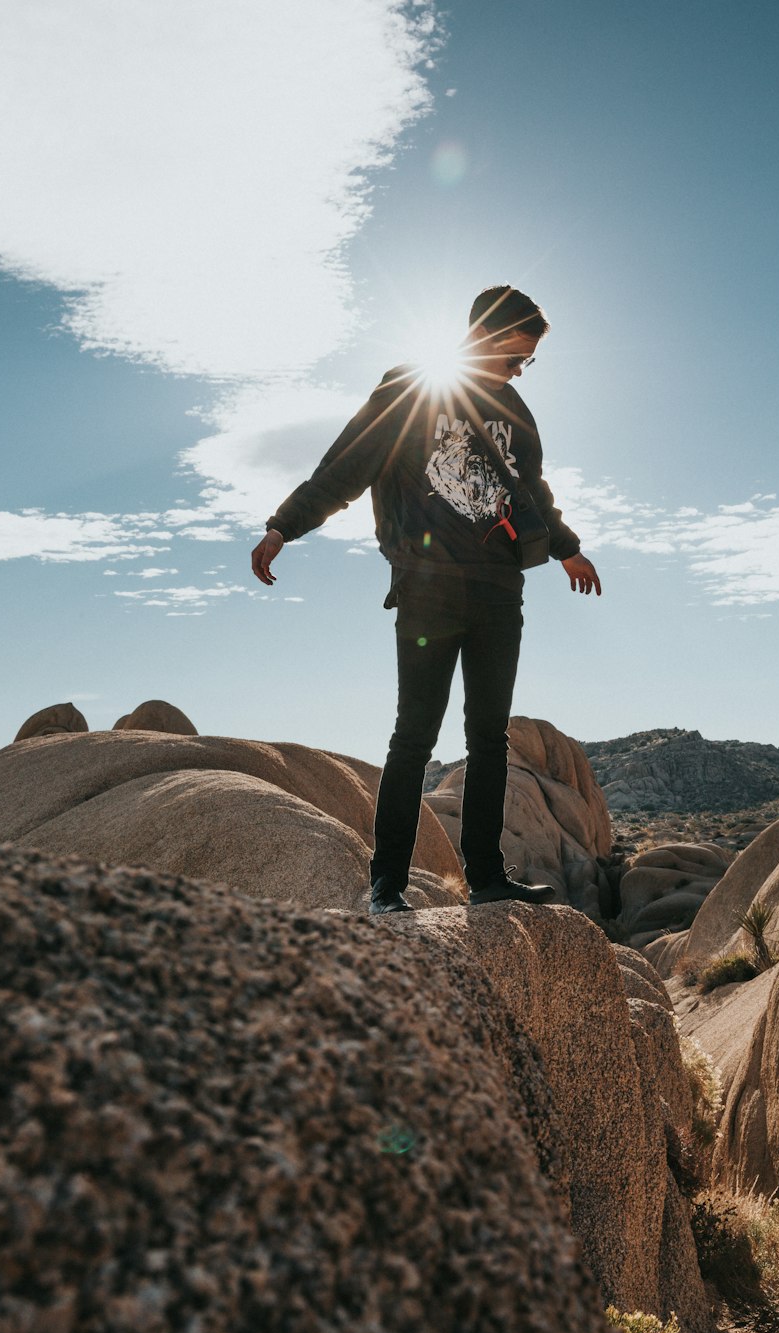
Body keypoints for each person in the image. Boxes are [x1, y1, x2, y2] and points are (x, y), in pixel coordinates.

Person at [251, 285, 601, 914]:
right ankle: (387, 884)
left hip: (498, 589)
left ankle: (487, 878)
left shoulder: (515, 411)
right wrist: (284, 526)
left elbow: (533, 491)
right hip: (427, 586)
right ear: (488, 336)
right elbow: (347, 466)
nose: (520, 370)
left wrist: (567, 548)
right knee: (413, 737)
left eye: (527, 362)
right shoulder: (410, 388)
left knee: (489, 737)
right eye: (515, 356)